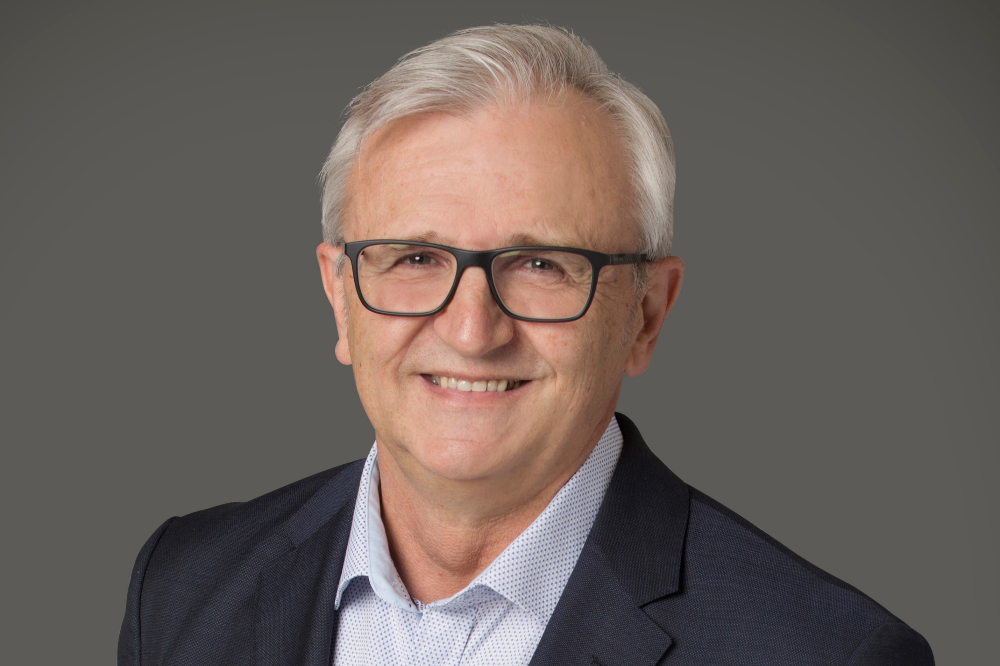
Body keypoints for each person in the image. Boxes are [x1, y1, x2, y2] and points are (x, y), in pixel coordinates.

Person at [118, 24, 933, 666]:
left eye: (542, 264)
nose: (472, 331)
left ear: (646, 315)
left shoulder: (822, 652)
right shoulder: (184, 587)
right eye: (415, 258)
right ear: (340, 295)